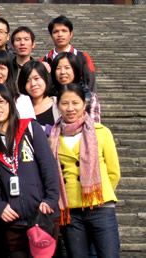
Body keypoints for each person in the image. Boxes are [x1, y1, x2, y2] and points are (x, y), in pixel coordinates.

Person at [0, 83, 60, 258]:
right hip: (14, 220)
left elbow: (48, 165)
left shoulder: (30, 127)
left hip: (42, 214)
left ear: (10, 104)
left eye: (1, 102)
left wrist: (51, 199)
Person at [49, 83, 120, 258]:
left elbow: (113, 172)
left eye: (75, 103)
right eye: (65, 103)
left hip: (100, 207)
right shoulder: (53, 138)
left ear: (84, 103)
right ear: (58, 106)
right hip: (71, 211)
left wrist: (96, 192)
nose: (70, 108)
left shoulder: (101, 132)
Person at [42, 15, 96, 93]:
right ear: (51, 35)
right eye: (55, 32)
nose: (60, 35)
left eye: (64, 31)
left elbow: (91, 84)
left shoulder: (83, 57)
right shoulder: (45, 61)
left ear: (71, 34)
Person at [51, 52, 101, 123]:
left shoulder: (90, 97)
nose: (62, 72)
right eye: (58, 68)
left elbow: (94, 125)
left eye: (67, 68)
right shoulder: (48, 97)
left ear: (75, 70)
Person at [18, 61, 59, 134]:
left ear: (45, 78)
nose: (33, 84)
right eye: (27, 81)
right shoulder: (21, 109)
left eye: (36, 78)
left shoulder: (59, 105)